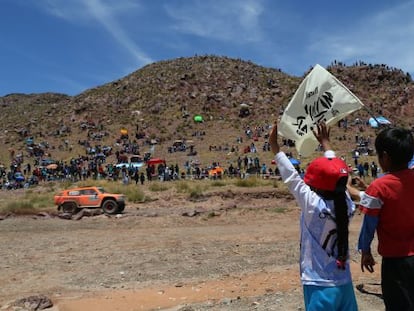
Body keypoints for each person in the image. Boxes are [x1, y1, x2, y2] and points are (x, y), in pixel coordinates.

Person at [269, 121, 358, 311]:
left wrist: (275, 147)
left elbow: (291, 176)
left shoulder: (312, 205)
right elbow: (339, 177)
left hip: (317, 284)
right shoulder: (348, 203)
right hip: (344, 283)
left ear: (315, 186)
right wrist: (326, 144)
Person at [347, 126, 414, 310]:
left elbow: (369, 225)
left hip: (396, 261)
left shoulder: (379, 187)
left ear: (385, 157)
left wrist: (365, 250)